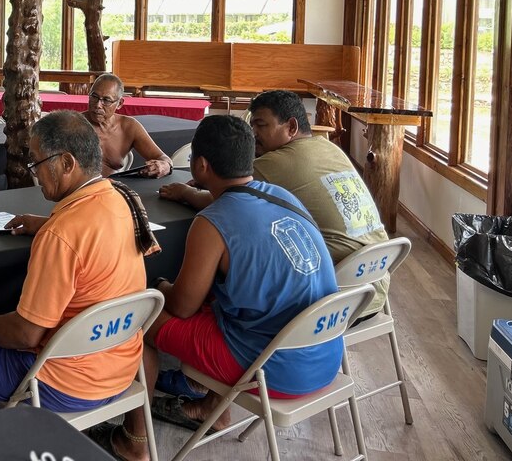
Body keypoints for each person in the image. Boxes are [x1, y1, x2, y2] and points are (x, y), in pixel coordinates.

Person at [98, 115, 341, 461]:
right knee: (229, 295)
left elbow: (181, 307)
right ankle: (213, 408)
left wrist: (159, 286)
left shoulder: (212, 224)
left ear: (200, 164)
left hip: (275, 372)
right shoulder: (281, 196)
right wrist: (190, 194)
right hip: (325, 354)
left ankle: (135, 441)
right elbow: (233, 205)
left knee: (140, 316)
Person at [0, 111, 158, 426]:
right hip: (122, 363)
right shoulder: (122, 200)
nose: (34, 174)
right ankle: (136, 445)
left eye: (38, 163)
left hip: (67, 384)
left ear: (67, 163)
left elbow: (25, 335)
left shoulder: (63, 234)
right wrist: (47, 224)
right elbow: (92, 240)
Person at [160, 90, 389, 317]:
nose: (254, 133)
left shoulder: (275, 163)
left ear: (291, 127)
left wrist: (185, 192)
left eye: (261, 125)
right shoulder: (329, 147)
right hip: (375, 282)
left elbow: (224, 204)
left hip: (330, 303)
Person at [84, 73, 173, 178]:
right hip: (80, 192)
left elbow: (163, 158)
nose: (98, 105)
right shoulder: (73, 125)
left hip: (113, 190)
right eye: (94, 97)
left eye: (106, 100)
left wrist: (164, 166)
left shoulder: (128, 127)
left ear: (120, 103)